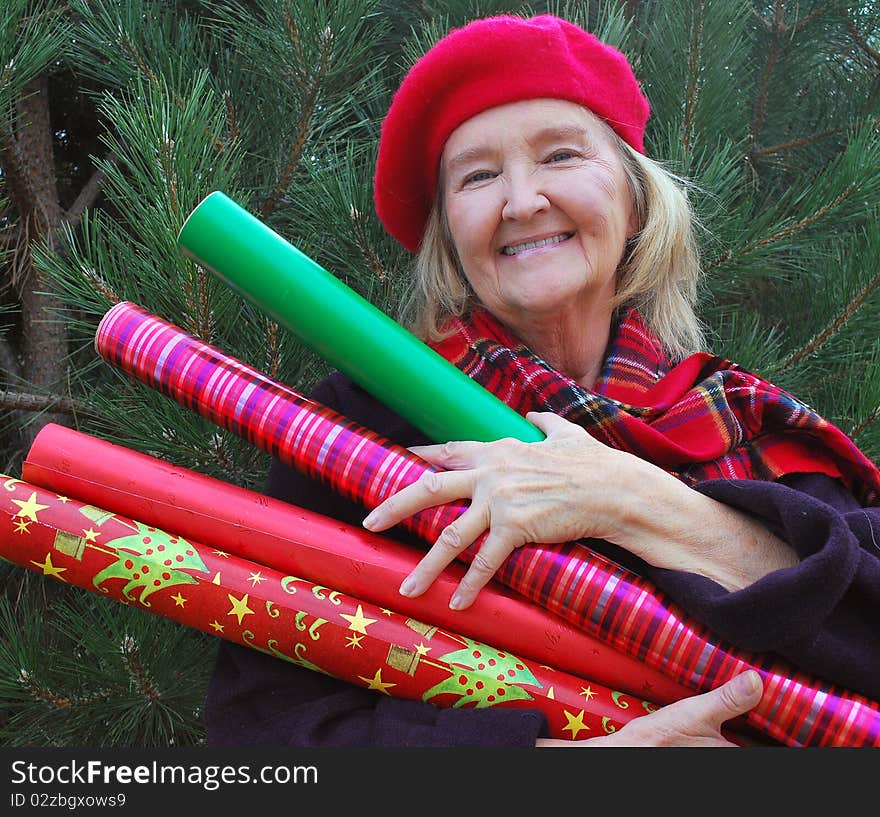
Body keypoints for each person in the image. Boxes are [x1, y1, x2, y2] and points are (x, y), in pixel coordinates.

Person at [204, 13, 880, 748]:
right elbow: (263, 732)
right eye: (479, 175)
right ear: (449, 232)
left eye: (560, 155)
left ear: (635, 200)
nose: (521, 201)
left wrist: (632, 500)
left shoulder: (737, 420)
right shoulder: (358, 424)